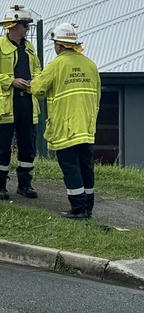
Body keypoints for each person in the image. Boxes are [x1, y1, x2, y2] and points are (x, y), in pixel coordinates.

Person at [30, 23, 100, 219]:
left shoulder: (57, 64)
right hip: (86, 126)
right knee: (86, 165)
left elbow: (37, 89)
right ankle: (88, 206)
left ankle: (78, 208)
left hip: (66, 126)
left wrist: (33, 80)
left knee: (70, 166)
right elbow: (98, 95)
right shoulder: (91, 65)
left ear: (59, 45)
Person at [0, 5, 42, 200]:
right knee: (3, 146)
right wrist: (11, 81)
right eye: (25, 25)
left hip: (27, 102)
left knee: (27, 145)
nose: (27, 29)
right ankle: (1, 185)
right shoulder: (0, 46)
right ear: (15, 26)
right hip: (7, 105)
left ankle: (25, 184)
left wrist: (35, 83)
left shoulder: (30, 48)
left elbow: (38, 71)